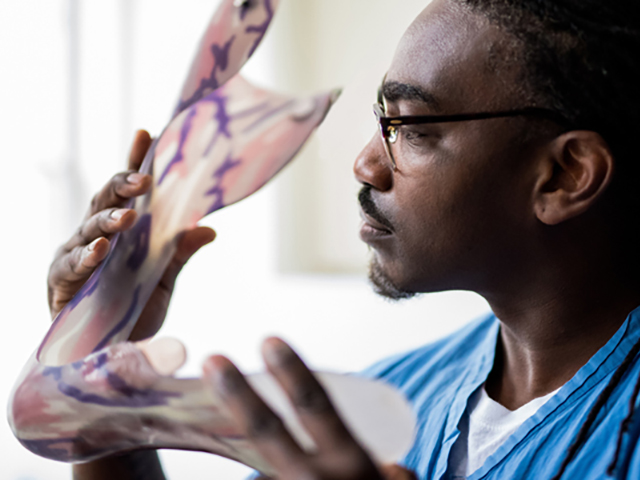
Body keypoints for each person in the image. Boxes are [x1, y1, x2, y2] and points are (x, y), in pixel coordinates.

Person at [46, 0, 640, 478]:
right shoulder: (384, 404)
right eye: (382, 119)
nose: (365, 164)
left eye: (409, 127)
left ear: (566, 175)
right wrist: (96, 357)